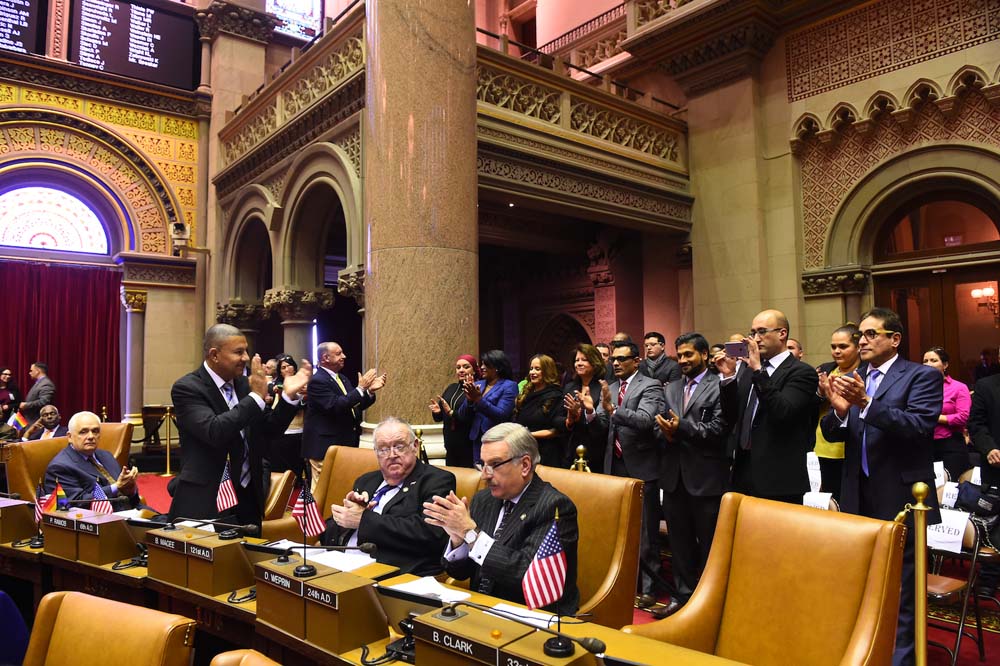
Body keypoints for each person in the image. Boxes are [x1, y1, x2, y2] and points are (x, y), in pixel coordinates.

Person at [820, 307, 942, 666]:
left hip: (902, 496)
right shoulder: (855, 377)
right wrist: (841, 410)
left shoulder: (920, 377)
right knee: (862, 583)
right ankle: (866, 652)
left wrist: (865, 403)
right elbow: (832, 432)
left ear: (895, 339)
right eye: (861, 335)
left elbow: (918, 427)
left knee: (902, 589)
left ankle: (899, 659)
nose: (863, 340)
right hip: (858, 493)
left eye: (872, 334)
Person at [423, 422, 579, 615]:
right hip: (479, 609)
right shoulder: (484, 499)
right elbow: (461, 573)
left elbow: (528, 575)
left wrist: (470, 534)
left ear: (524, 465)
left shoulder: (554, 507)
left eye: (494, 464)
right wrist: (457, 539)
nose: (484, 476)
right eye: (482, 464)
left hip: (531, 616)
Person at [168, 324, 311, 527]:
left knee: (248, 555)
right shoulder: (188, 388)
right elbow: (215, 431)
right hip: (207, 495)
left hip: (248, 494)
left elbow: (270, 430)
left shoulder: (244, 385)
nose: (245, 358)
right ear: (214, 355)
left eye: (246, 351)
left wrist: (289, 397)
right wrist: (255, 397)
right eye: (238, 352)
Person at [653, 332, 729, 619]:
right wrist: (666, 433)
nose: (683, 360)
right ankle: (682, 597)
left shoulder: (718, 384)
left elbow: (718, 429)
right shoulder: (671, 388)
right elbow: (655, 426)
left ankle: (709, 603)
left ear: (705, 355)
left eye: (689, 355)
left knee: (709, 545)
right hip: (674, 478)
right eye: (680, 355)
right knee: (680, 543)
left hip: (706, 477)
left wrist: (680, 428)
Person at [322, 418, 455, 575]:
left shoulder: (436, 480)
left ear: (415, 446)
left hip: (391, 574)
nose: (392, 455)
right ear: (376, 453)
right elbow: (326, 535)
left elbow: (429, 533)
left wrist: (363, 520)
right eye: (383, 449)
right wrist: (345, 521)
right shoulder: (366, 481)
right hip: (341, 565)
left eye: (399, 446)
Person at [714, 310, 817, 503]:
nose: (755, 339)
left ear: (782, 333)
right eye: (752, 333)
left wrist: (759, 371)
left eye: (762, 332)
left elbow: (782, 412)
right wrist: (728, 377)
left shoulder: (802, 372)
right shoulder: (747, 371)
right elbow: (731, 416)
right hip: (743, 471)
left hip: (779, 479)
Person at [590, 340, 664, 603]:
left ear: (637, 361)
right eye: (614, 360)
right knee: (619, 530)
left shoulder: (650, 385)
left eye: (622, 359)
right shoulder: (608, 388)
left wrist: (613, 409)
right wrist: (588, 413)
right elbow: (601, 424)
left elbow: (645, 421)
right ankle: (624, 584)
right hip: (614, 464)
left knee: (645, 532)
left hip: (641, 466)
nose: (616, 363)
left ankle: (648, 588)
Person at [302, 341, 385, 489]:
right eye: (339, 353)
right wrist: (360, 389)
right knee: (322, 489)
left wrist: (369, 392)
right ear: (325, 358)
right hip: (324, 447)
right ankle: (316, 513)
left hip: (344, 442)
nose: (344, 356)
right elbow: (335, 405)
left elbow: (354, 406)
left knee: (339, 487)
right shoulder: (317, 381)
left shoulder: (342, 378)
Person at [43, 411, 140, 509]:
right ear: (70, 437)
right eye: (83, 432)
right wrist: (116, 487)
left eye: (95, 431)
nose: (91, 436)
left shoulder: (106, 455)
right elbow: (76, 502)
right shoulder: (60, 467)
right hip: (102, 519)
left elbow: (129, 497)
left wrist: (130, 490)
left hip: (133, 511)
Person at [813, 324, 861, 502]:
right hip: (824, 445)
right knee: (828, 498)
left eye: (843, 346)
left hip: (852, 445)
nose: (837, 351)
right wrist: (820, 392)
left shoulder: (864, 373)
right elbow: (809, 405)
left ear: (857, 347)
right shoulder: (825, 369)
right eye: (833, 347)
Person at [968, 368, 1000, 597]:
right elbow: (977, 425)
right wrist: (989, 449)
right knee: (994, 525)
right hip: (996, 466)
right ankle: (989, 578)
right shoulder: (986, 385)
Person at [457, 349, 517, 463]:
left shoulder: (509, 386)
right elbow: (462, 416)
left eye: (486, 364)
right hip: (477, 440)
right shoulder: (478, 384)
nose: (482, 367)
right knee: (479, 475)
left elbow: (501, 414)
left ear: (497, 367)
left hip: (497, 440)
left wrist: (478, 399)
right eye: (482, 364)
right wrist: (469, 401)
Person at [922, 347, 971, 482]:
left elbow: (963, 417)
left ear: (945, 365)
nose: (928, 364)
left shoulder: (959, 387)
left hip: (951, 445)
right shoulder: (918, 388)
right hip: (925, 444)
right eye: (925, 361)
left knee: (950, 487)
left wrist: (934, 417)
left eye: (933, 360)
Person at [513, 354, 567, 468]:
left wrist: (528, 435)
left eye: (537, 369)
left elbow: (556, 431)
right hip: (524, 449)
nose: (532, 372)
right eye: (531, 369)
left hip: (546, 453)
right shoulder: (526, 394)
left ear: (547, 371)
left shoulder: (556, 395)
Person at [563, 344, 607, 473]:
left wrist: (587, 412)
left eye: (584, 360)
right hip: (571, 450)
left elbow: (604, 426)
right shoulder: (569, 387)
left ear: (595, 362)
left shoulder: (603, 387)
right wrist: (569, 420)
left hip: (596, 450)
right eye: (577, 360)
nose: (579, 364)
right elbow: (557, 419)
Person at [429, 355, 479, 467]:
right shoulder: (451, 387)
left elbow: (469, 416)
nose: (461, 370)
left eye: (466, 367)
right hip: (450, 446)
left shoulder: (476, 389)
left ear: (474, 370)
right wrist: (437, 412)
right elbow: (440, 418)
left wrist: (451, 412)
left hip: (468, 447)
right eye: (458, 367)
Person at [264, 355, 307, 481]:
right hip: (282, 431)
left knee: (297, 467)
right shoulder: (276, 385)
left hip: (299, 430)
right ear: (280, 371)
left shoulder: (302, 384)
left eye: (289, 365)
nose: (287, 368)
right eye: (283, 367)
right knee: (281, 468)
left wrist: (304, 397)